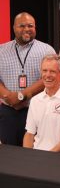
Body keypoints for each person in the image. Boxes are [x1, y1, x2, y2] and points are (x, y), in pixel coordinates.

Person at [0, 12, 56, 146]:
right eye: (22, 26)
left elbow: (51, 78)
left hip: (38, 111)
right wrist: (8, 96)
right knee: (8, 155)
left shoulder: (46, 50)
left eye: (30, 26)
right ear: (14, 28)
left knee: (33, 155)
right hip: (8, 112)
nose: (27, 29)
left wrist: (21, 95)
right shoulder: (1, 50)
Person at [23, 54, 60, 152]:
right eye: (44, 71)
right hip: (36, 155)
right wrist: (28, 156)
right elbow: (29, 134)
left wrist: (48, 156)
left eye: (52, 71)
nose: (47, 75)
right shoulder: (35, 100)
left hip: (58, 158)